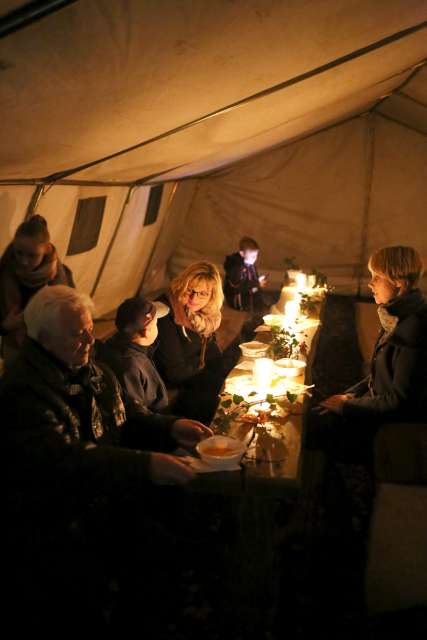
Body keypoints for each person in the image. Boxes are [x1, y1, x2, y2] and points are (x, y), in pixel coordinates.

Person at [3, 285, 213, 631]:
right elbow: (64, 459)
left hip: (104, 497)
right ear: (42, 339)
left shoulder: (90, 368)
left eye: (89, 329)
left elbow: (125, 416)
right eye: (77, 334)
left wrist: (172, 428)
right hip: (57, 523)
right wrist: (145, 464)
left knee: (171, 543)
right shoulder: (23, 393)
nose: (90, 340)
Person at [312, 245, 427, 462]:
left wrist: (346, 406)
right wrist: (349, 395)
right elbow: (379, 374)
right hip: (374, 403)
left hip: (390, 423)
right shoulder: (395, 315)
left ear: (398, 284)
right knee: (320, 412)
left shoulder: (414, 332)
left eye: (376, 277)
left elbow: (398, 402)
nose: (370, 283)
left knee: (315, 425)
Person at [96, 295, 205, 431]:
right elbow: (137, 418)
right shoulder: (130, 366)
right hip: (154, 431)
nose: (158, 326)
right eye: (155, 323)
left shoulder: (124, 346)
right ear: (146, 332)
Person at [154, 261, 230, 424]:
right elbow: (174, 371)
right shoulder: (167, 313)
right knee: (219, 391)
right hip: (172, 381)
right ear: (182, 285)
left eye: (203, 294)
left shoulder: (205, 316)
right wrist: (203, 364)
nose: (194, 298)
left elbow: (212, 353)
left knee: (231, 381)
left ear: (212, 296)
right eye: (190, 290)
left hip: (195, 371)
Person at [0, 214, 74, 366]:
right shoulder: (4, 271)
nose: (24, 261)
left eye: (32, 255)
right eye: (19, 253)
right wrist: (5, 326)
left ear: (47, 249)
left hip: (48, 352)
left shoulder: (60, 278)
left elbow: (71, 316)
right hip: (14, 349)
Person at [223, 236, 268, 311]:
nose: (255, 259)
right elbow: (239, 287)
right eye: (252, 256)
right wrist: (257, 283)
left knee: (262, 301)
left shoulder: (249, 264)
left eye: (256, 256)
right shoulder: (236, 268)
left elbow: (252, 279)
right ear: (242, 254)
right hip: (239, 300)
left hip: (249, 295)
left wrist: (258, 282)